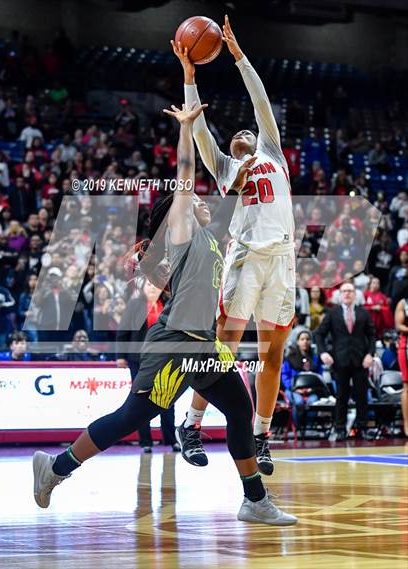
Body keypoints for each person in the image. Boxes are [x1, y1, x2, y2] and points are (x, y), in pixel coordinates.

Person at [32, 102, 297, 526]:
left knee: (239, 408)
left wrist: (244, 174)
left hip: (203, 347)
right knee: (130, 418)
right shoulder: (181, 234)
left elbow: (236, 198)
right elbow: (187, 178)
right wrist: (188, 129)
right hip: (174, 344)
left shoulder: (211, 237)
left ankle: (254, 500)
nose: (202, 203)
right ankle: (56, 468)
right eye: (194, 203)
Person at [173, 15, 295, 475]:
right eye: (237, 134)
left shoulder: (273, 151)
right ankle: (193, 423)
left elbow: (260, 101)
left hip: (282, 259)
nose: (245, 132)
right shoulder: (225, 170)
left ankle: (262, 435)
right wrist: (190, 79)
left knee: (273, 354)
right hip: (244, 258)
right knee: (223, 346)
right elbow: (199, 131)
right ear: (230, 147)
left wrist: (239, 55)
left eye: (250, 131)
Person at [116, 276, 180, 453]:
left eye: (156, 285)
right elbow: (123, 332)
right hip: (139, 360)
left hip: (165, 359)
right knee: (141, 399)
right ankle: (145, 441)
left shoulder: (168, 304)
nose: (152, 288)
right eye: (149, 284)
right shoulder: (134, 305)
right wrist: (120, 356)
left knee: (167, 399)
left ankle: (171, 439)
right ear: (142, 287)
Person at [315, 282, 376, 441]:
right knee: (341, 396)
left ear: (355, 294)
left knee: (362, 396)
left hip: (360, 360)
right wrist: (322, 353)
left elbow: (372, 335)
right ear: (340, 294)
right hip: (339, 360)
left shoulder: (363, 313)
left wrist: (370, 354)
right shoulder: (332, 313)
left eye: (350, 291)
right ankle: (340, 428)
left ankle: (363, 427)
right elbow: (319, 334)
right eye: (344, 291)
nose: (347, 294)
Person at [281, 330, 323, 428]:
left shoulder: (315, 358)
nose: (305, 341)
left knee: (313, 402)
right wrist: (295, 388)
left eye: (307, 339)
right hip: (293, 390)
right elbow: (284, 376)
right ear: (298, 342)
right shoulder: (290, 358)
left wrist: (312, 389)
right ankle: (298, 427)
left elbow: (319, 376)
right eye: (302, 339)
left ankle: (309, 426)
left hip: (311, 391)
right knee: (299, 402)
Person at [394, 299, 408, 437]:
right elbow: (399, 326)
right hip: (407, 345)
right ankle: (407, 424)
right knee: (407, 385)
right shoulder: (404, 303)